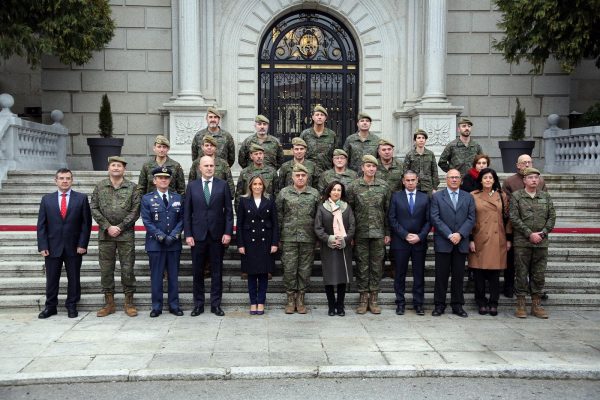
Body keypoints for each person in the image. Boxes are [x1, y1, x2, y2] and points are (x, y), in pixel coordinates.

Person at [36, 168, 92, 319]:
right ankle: (50, 306)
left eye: (68, 178)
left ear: (72, 180)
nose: (65, 181)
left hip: (74, 247)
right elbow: (41, 225)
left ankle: (71, 305)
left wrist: (83, 244)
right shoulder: (46, 199)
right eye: (61, 178)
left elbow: (86, 225)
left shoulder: (81, 198)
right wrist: (43, 246)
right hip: (52, 247)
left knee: (74, 278)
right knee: (52, 279)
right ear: (56, 181)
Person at [91, 156, 141, 318]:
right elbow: (94, 208)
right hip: (106, 236)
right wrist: (108, 227)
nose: (116, 168)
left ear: (124, 169)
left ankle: (129, 303)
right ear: (108, 168)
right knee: (106, 270)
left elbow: (135, 210)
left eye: (119, 166)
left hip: (125, 235)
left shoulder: (133, 188)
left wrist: (119, 227)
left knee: (127, 269)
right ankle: (109, 303)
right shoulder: (100, 187)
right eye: (113, 165)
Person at [184, 156, 234, 317]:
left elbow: (228, 212)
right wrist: (188, 234)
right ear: (200, 167)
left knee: (217, 271)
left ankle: (215, 304)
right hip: (197, 236)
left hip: (217, 235)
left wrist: (228, 232)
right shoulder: (192, 186)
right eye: (206, 165)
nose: (209, 168)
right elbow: (187, 213)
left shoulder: (223, 185)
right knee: (197, 271)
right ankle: (198, 304)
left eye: (212, 165)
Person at [347, 155, 391, 314]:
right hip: (360, 233)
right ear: (362, 167)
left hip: (378, 233)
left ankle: (374, 298)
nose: (371, 168)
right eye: (368, 166)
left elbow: (387, 211)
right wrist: (350, 235)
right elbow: (349, 212)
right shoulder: (353, 187)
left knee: (377, 266)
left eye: (374, 166)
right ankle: (363, 297)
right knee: (361, 265)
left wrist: (387, 232)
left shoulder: (384, 186)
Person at [509, 167, 556, 319]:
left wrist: (542, 233)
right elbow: (514, 218)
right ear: (524, 180)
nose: (534, 180)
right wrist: (529, 234)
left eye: (536, 177)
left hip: (541, 242)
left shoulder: (546, 197)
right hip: (523, 242)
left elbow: (552, 217)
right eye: (531, 177)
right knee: (521, 274)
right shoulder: (516, 196)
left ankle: (536, 305)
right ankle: (521, 305)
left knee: (539, 274)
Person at [430, 169, 476, 318]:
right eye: (451, 177)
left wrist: (460, 234)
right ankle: (439, 305)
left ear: (461, 180)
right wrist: (449, 234)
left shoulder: (468, 197)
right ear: (446, 179)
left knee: (458, 276)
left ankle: (457, 305)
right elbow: (435, 218)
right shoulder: (437, 197)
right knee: (441, 276)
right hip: (444, 241)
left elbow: (471, 218)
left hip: (461, 242)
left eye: (457, 177)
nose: (454, 180)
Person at [502, 154, 548, 299]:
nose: (527, 165)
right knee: (513, 261)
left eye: (529, 162)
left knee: (535, 264)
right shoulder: (510, 181)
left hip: (537, 228)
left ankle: (535, 290)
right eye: (524, 163)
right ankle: (509, 286)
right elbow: (507, 205)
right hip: (516, 228)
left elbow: (546, 202)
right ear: (518, 165)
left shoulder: (540, 181)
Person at [140, 167, 185, 318]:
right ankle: (156, 306)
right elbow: (147, 221)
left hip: (173, 244)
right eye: (160, 178)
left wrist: (173, 236)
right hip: (155, 244)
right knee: (156, 277)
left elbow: (182, 219)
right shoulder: (147, 198)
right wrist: (160, 236)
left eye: (166, 178)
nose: (163, 180)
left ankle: (174, 305)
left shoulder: (178, 198)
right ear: (154, 181)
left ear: (170, 180)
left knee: (173, 276)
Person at [276, 163, 320, 314]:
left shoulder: (314, 194)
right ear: (292, 177)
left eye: (303, 175)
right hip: (288, 237)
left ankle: (300, 298)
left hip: (308, 238)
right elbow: (278, 216)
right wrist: (278, 237)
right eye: (297, 175)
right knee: (289, 268)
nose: (300, 178)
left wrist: (318, 237)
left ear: (307, 177)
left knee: (305, 269)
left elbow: (318, 218)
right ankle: (290, 299)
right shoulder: (283, 193)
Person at [468, 168, 512, 316]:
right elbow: (469, 218)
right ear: (480, 180)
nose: (488, 180)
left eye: (490, 178)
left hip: (497, 237)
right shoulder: (473, 195)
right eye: (485, 177)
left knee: (494, 273)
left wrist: (509, 238)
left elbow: (507, 218)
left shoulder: (502, 195)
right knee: (479, 273)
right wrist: (470, 239)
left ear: (494, 180)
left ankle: (494, 302)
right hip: (479, 237)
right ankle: (481, 302)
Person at [388, 170, 430, 316]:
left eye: (413, 180)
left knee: (419, 274)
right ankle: (400, 303)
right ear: (403, 181)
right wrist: (405, 235)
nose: (410, 182)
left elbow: (429, 220)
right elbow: (392, 219)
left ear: (417, 180)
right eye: (408, 180)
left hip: (419, 242)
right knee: (400, 274)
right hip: (401, 242)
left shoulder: (425, 197)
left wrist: (420, 236)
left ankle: (418, 304)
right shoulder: (396, 197)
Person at [237, 175, 279, 315]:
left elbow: (275, 224)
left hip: (265, 242)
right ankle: (253, 302)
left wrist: (274, 243)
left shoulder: (269, 201)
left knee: (263, 274)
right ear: (250, 186)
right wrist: (241, 244)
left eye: (260, 184)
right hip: (249, 242)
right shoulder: (243, 201)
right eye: (254, 184)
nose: (257, 186)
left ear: (263, 186)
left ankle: (261, 302)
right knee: (251, 275)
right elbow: (240, 224)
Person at [314, 181, 355, 316]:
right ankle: (331, 306)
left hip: (344, 247)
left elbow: (352, 227)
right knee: (329, 277)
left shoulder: (346, 208)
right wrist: (330, 239)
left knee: (342, 277)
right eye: (334, 190)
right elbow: (318, 228)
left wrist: (344, 239)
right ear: (329, 192)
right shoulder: (322, 207)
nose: (336, 192)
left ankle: (340, 306)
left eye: (339, 190)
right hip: (328, 247)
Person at [236, 144, 278, 210]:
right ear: (251, 156)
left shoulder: (272, 172)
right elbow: (239, 194)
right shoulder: (245, 172)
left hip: (267, 208)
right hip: (249, 209)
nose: (259, 156)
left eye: (260, 154)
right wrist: (239, 212)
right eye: (256, 154)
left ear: (263, 155)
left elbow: (276, 193)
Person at [300, 104, 339, 173]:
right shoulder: (305, 134)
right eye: (317, 115)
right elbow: (299, 152)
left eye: (322, 115)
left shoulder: (331, 135)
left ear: (325, 118)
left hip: (326, 172)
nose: (319, 117)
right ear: (313, 117)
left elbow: (335, 154)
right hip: (308, 172)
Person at [403, 129, 439, 195]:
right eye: (418, 138)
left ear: (425, 140)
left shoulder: (430, 154)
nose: (421, 140)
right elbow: (405, 172)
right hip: (414, 187)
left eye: (423, 138)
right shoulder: (410, 155)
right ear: (415, 140)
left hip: (428, 187)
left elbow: (434, 171)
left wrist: (434, 188)